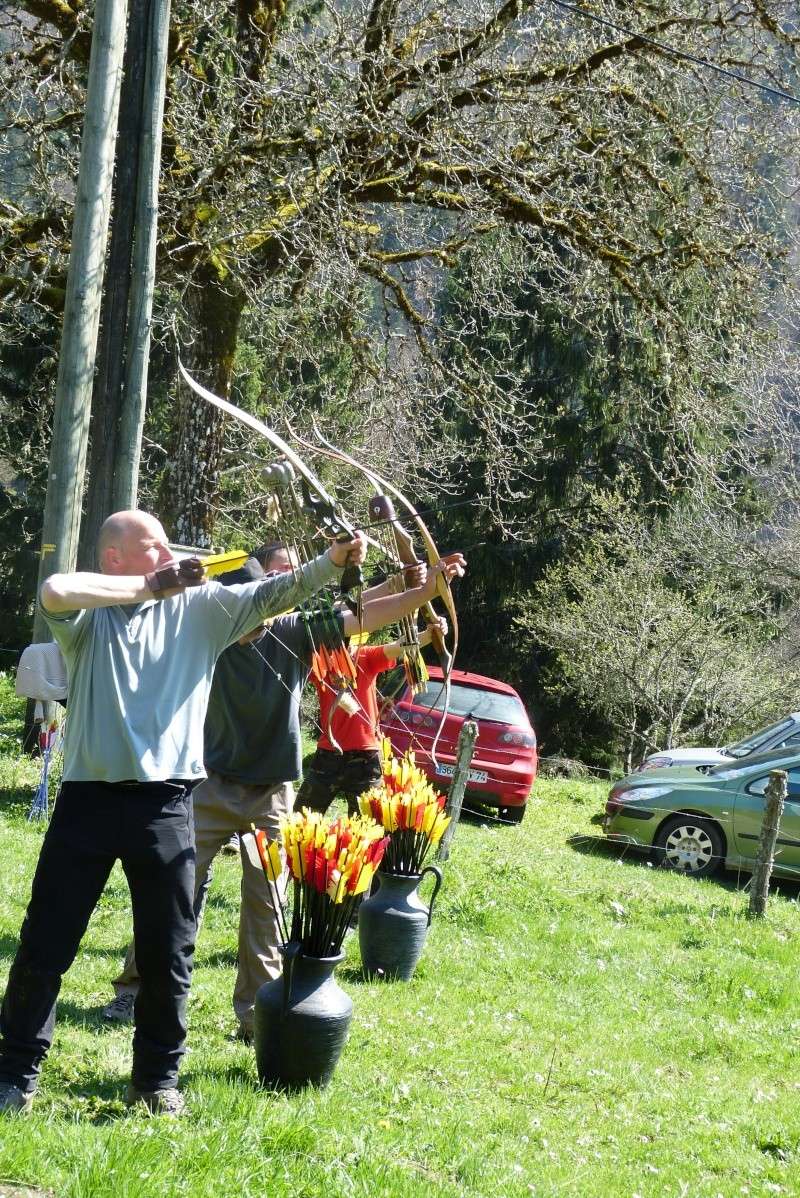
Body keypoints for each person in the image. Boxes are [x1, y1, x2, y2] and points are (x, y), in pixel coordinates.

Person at [0, 510, 365, 1117]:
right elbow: (53, 590)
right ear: (116, 557)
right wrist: (150, 587)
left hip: (167, 805)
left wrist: (332, 561)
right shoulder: (89, 618)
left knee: (169, 952)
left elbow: (277, 591)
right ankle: (14, 1073)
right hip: (87, 801)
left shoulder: (203, 611)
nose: (170, 553)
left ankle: (156, 1081)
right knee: (45, 943)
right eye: (155, 545)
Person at [102, 545, 460, 1041]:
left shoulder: (294, 631)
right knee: (169, 893)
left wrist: (423, 588)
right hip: (206, 784)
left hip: (271, 793)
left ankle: (255, 1014)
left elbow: (361, 614)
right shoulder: (210, 634)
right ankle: (134, 990)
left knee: (269, 907)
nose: (251, 620)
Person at [297, 564, 464, 817]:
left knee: (369, 828)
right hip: (328, 752)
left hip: (365, 756)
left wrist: (431, 633)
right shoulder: (317, 662)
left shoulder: (365, 657)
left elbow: (401, 646)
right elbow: (328, 619)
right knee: (302, 818)